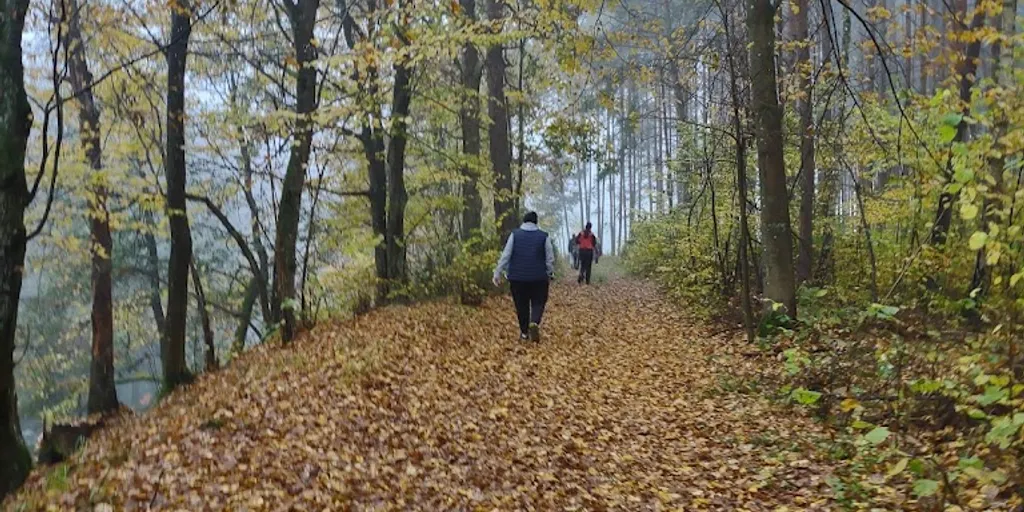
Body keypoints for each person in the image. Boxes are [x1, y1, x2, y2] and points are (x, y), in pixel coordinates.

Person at [493, 211, 555, 342]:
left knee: (521, 305)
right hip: (538, 277)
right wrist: (549, 272)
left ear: (524, 221)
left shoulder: (515, 235)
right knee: (539, 301)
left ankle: (524, 333)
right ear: (536, 222)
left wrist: (497, 272)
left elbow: (506, 255)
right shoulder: (544, 236)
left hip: (517, 278)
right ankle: (534, 322)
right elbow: (549, 258)